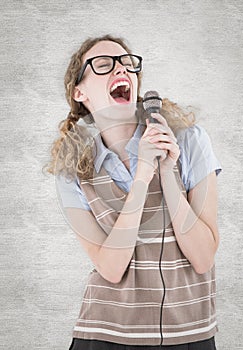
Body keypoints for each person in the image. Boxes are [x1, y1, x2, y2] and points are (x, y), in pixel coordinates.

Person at [46, 35, 222, 350]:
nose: (122, 70)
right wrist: (142, 174)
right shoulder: (71, 170)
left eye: (128, 64)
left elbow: (204, 257)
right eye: (103, 65)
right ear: (80, 92)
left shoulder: (191, 141)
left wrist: (167, 171)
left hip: (189, 334)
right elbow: (111, 269)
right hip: (105, 335)